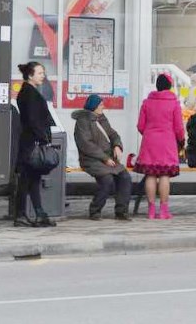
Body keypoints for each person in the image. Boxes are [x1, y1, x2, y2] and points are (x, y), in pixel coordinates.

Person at [72, 93, 131, 221]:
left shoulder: (102, 119)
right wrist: (105, 158)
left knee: (125, 177)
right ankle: (95, 210)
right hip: (91, 159)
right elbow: (86, 145)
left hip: (108, 159)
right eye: (100, 105)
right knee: (107, 180)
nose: (103, 106)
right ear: (93, 106)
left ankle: (121, 211)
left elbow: (113, 134)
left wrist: (117, 146)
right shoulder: (83, 121)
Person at [137, 73, 185, 220]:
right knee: (164, 175)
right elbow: (179, 128)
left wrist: (149, 133)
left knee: (150, 174)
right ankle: (163, 210)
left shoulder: (147, 102)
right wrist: (181, 140)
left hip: (149, 142)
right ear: (169, 86)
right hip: (167, 143)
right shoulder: (174, 103)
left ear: (157, 85)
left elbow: (140, 126)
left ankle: (151, 210)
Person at [14, 61, 56, 227]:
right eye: (39, 73)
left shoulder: (29, 91)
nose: (43, 76)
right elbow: (33, 119)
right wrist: (43, 138)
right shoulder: (29, 93)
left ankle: (39, 213)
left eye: (43, 73)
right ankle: (21, 215)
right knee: (26, 179)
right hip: (32, 143)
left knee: (32, 179)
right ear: (30, 75)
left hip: (30, 141)